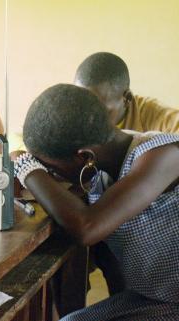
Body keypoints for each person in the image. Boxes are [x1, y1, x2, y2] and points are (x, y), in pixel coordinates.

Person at [14, 84, 179, 320]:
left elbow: (87, 227)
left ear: (84, 157)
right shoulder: (101, 177)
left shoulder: (163, 155)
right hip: (156, 300)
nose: (53, 177)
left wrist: (26, 169)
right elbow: (113, 269)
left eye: (51, 169)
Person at [74, 52, 179, 132]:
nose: (89, 120)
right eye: (82, 108)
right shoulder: (66, 116)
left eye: (100, 112)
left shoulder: (163, 121)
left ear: (127, 99)